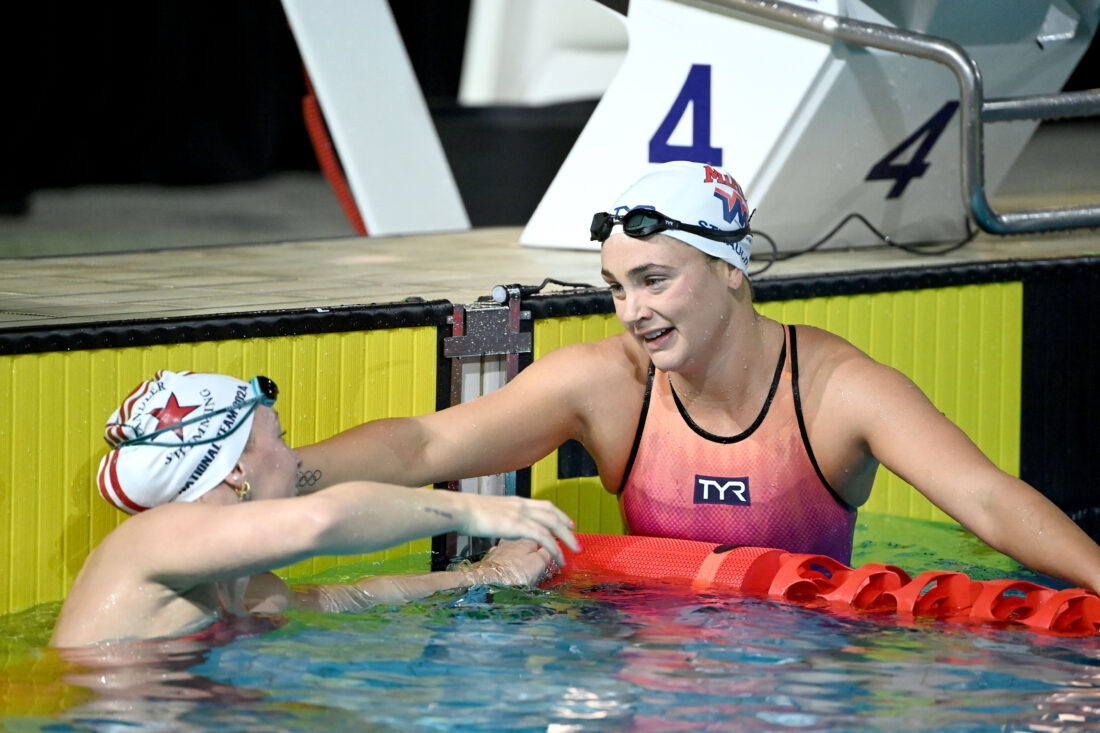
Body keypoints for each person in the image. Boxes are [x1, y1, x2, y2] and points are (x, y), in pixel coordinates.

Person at [294, 160, 1100, 594]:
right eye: (617, 288)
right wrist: (280, 474)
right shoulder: (609, 384)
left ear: (730, 273)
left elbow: (991, 500)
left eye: (655, 279)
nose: (632, 311)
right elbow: (424, 443)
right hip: (646, 676)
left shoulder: (837, 392)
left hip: (806, 685)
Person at [51, 370, 579, 648]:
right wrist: (474, 511)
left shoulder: (244, 589)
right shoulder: (152, 538)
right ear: (235, 470)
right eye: (280, 440)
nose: (292, 457)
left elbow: (348, 597)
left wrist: (485, 576)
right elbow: (325, 518)